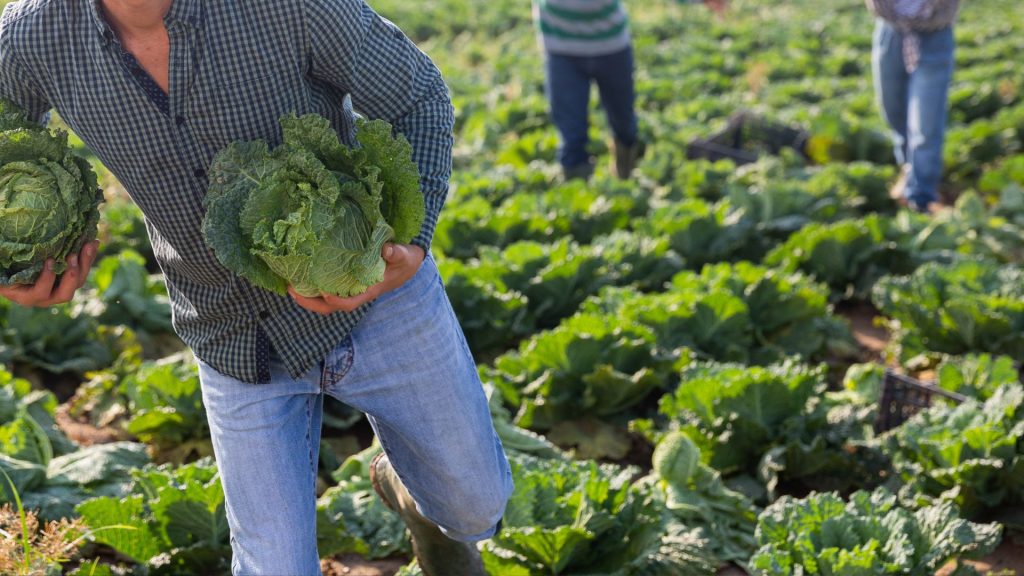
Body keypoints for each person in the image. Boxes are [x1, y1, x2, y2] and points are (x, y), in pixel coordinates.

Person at [0, 1, 512, 575]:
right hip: (232, 330)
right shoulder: (30, 37)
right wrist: (18, 265)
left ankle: (417, 498)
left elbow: (416, 95)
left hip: (374, 296)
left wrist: (410, 244)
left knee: (475, 509)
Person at [534, 0, 726, 181]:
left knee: (624, 124)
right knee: (571, 134)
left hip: (610, 46)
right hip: (561, 49)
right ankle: (577, 202)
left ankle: (624, 176)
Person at [867, 0, 959, 212]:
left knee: (925, 124)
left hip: (934, 33)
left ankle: (921, 198)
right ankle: (909, 168)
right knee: (892, 109)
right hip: (891, 30)